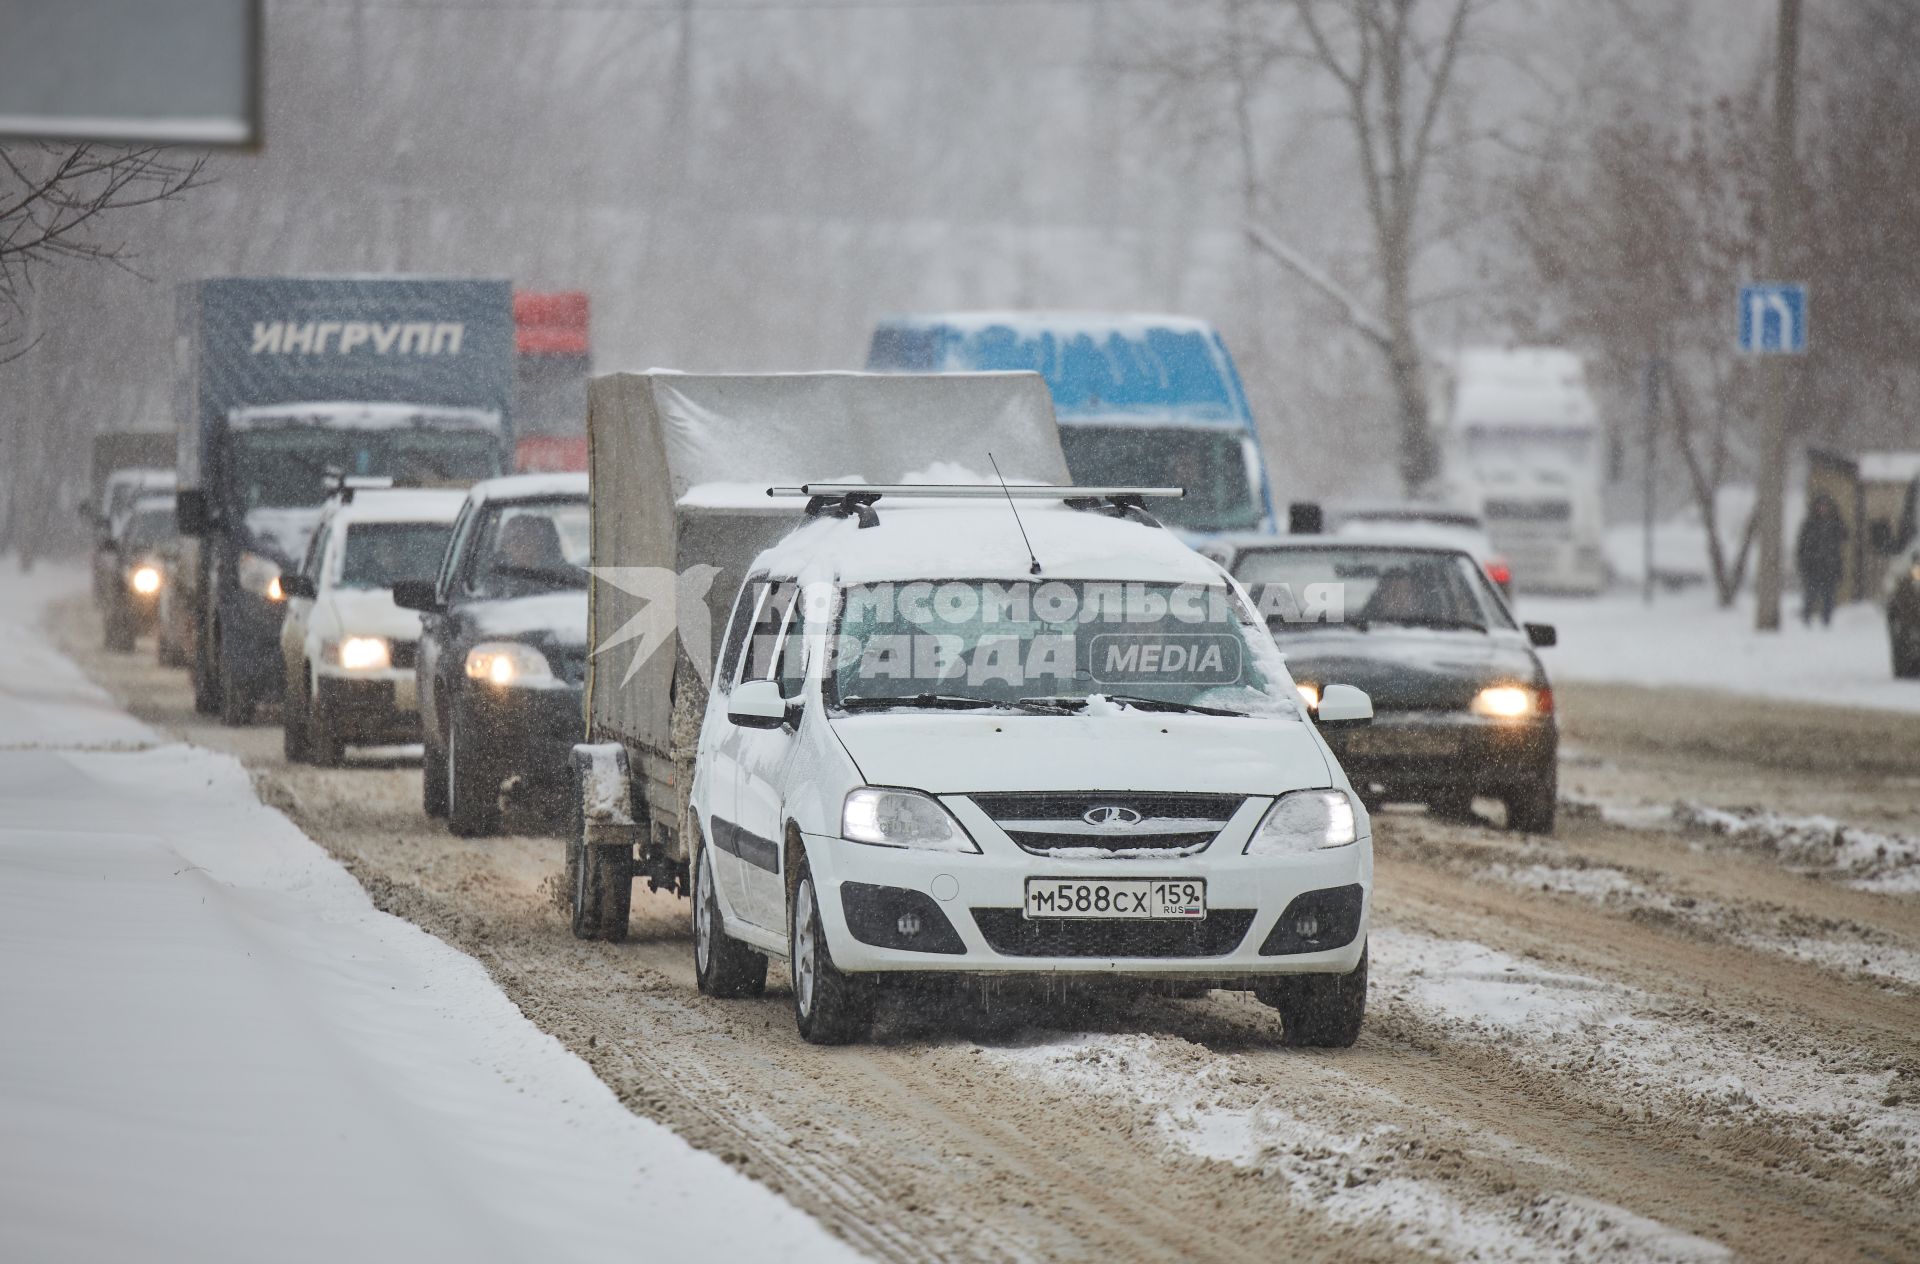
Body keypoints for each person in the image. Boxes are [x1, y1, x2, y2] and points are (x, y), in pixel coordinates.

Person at [1795, 494, 1848, 628]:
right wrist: (1803, 564)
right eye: (1820, 506)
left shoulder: (1834, 524)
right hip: (1812, 568)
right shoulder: (1810, 524)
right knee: (1810, 597)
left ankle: (1826, 624)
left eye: (1825, 506)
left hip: (1830, 568)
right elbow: (1801, 546)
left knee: (1828, 598)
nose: (1823, 509)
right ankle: (1806, 622)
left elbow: (1845, 536)